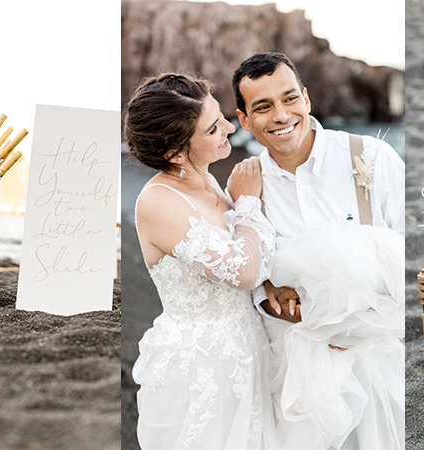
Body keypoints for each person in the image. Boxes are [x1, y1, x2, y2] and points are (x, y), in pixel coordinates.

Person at [227, 53, 406, 449]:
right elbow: (243, 275)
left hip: (375, 362)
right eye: (263, 106)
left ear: (306, 99)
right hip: (293, 375)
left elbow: (410, 264)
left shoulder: (372, 159)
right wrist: (268, 294)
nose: (281, 115)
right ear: (243, 120)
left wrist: (351, 326)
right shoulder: (245, 187)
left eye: (289, 99)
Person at [125, 72, 277, 450]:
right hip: (202, 368)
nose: (229, 126)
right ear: (176, 153)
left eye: (220, 115)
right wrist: (247, 204)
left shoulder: (207, 180)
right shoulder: (158, 201)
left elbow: (253, 256)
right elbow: (242, 271)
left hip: (248, 348)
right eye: (213, 128)